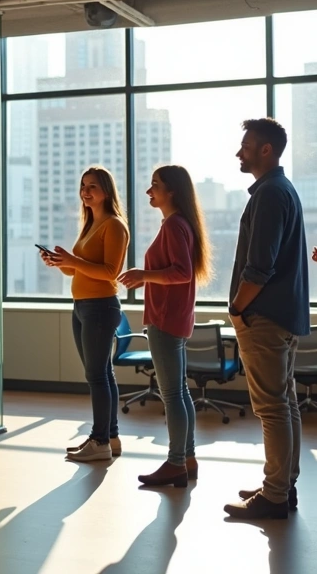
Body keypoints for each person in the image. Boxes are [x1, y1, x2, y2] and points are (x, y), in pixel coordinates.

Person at [224, 118, 310, 520]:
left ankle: (275, 495)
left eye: (245, 146)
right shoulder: (281, 189)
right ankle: (282, 485)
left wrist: (237, 308)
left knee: (272, 408)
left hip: (264, 317)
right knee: (285, 403)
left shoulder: (270, 193)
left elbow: (259, 266)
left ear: (266, 150)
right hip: (283, 315)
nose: (238, 152)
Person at [119, 165, 212, 487]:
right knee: (180, 392)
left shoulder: (174, 225)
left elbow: (181, 273)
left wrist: (143, 275)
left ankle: (175, 463)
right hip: (175, 318)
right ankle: (187, 458)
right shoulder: (180, 224)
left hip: (165, 318)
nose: (149, 191)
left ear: (172, 191)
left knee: (172, 394)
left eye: (155, 185)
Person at [42, 167, 130, 462]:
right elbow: (78, 270)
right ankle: (110, 437)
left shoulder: (114, 225)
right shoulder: (91, 224)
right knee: (102, 374)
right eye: (83, 186)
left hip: (100, 307)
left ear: (106, 190)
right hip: (82, 306)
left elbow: (110, 273)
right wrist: (61, 263)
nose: (85, 191)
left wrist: (73, 260)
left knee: (96, 376)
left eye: (92, 186)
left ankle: (99, 441)